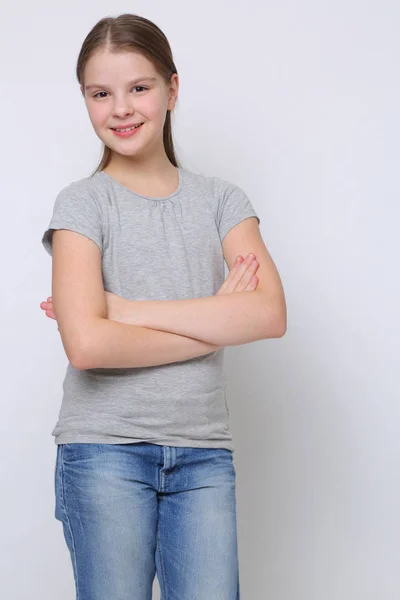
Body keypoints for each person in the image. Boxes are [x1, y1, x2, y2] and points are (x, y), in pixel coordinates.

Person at [39, 13, 287, 600]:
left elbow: (268, 315)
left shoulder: (223, 201)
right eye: (101, 94)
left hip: (203, 456)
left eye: (139, 88)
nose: (121, 108)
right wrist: (214, 323)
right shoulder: (81, 204)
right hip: (104, 453)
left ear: (172, 89)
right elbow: (88, 345)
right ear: (86, 101)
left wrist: (123, 309)